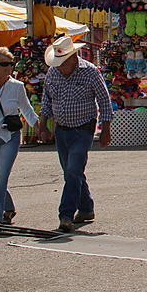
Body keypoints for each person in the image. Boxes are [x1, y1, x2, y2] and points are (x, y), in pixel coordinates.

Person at [35, 36, 113, 233]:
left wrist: (106, 130)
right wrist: (43, 125)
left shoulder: (90, 72)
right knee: (72, 172)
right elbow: (47, 100)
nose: (60, 67)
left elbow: (104, 100)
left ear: (73, 58)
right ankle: (86, 209)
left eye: (63, 63)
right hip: (61, 130)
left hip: (83, 129)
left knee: (72, 171)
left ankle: (66, 215)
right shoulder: (53, 73)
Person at [0, 47, 37, 228]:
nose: (9, 67)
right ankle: (8, 207)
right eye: (4, 64)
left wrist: (40, 126)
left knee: (1, 176)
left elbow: (27, 109)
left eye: (10, 64)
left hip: (9, 136)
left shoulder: (17, 87)